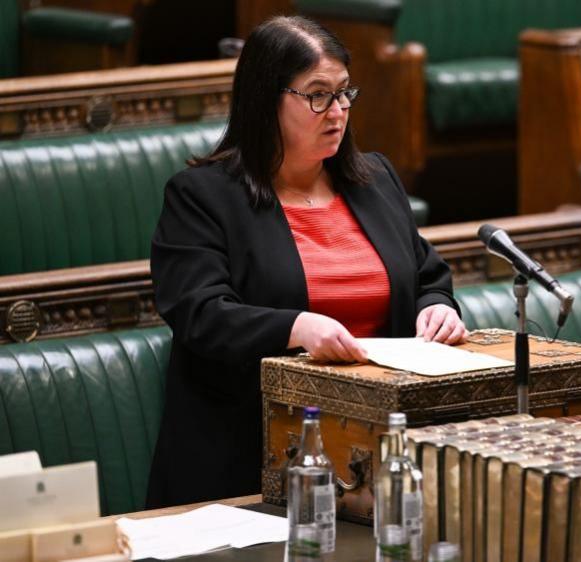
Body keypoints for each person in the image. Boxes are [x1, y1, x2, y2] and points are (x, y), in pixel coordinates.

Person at [145, 16, 467, 508]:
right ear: (264, 99)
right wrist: (296, 327)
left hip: (379, 451)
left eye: (343, 94)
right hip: (248, 456)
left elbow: (427, 277)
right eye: (317, 95)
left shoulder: (374, 179)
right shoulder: (202, 197)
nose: (336, 111)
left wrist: (438, 307)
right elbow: (200, 312)